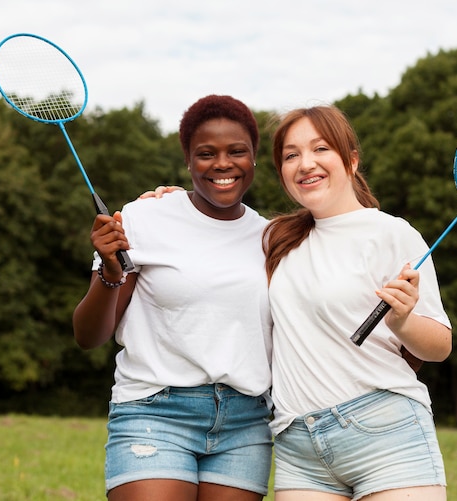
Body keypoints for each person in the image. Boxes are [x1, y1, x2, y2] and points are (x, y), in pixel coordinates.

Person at [72, 95, 273, 501]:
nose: (222, 164)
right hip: (154, 410)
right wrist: (111, 274)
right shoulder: (145, 217)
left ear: (254, 159)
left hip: (246, 422)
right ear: (187, 159)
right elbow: (88, 336)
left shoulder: (273, 238)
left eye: (237, 152)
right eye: (206, 153)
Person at [263, 105, 452, 501]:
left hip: (386, 431)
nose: (305, 163)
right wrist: (176, 200)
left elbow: (439, 346)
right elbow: (213, 226)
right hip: (299, 445)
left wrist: (402, 323)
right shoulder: (274, 239)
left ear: (351, 160)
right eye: (291, 155)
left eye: (320, 149)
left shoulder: (391, 233)